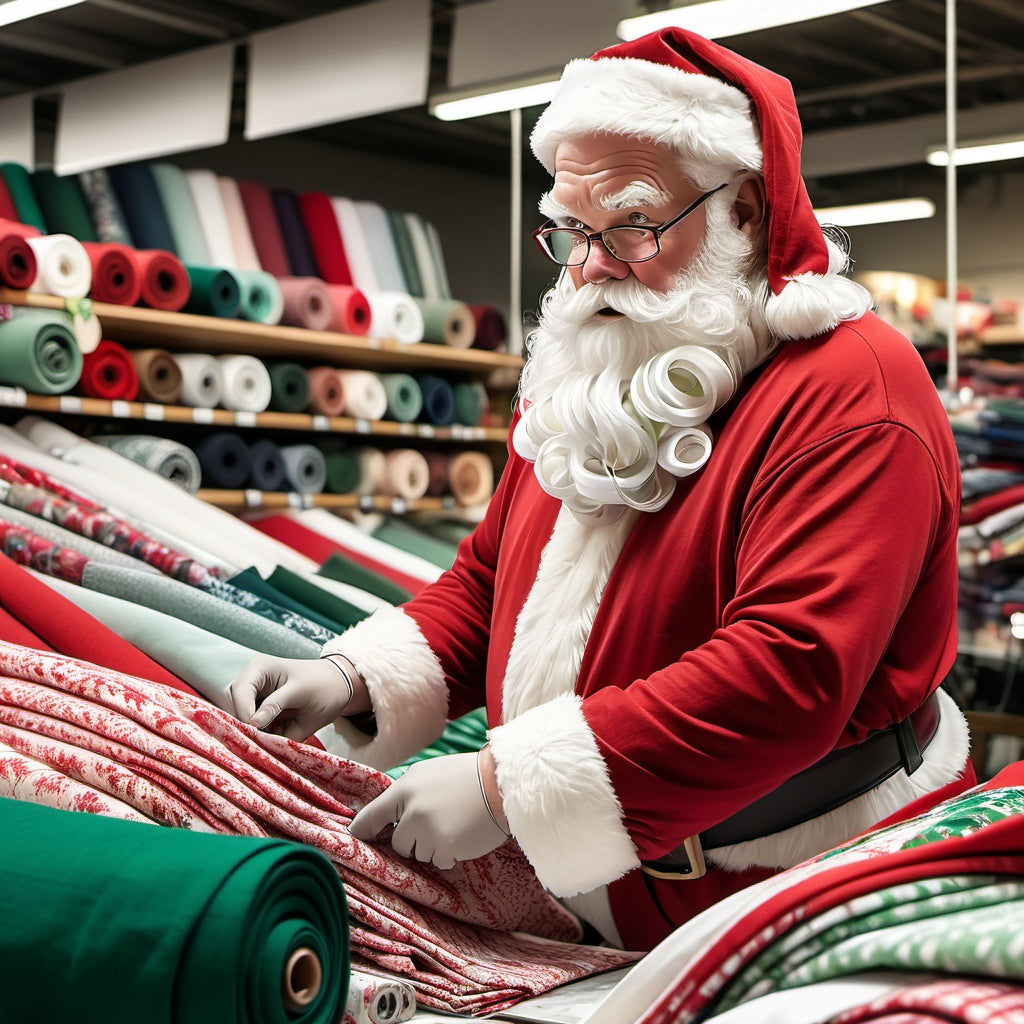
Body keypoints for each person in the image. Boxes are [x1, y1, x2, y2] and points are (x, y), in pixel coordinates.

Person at [229, 26, 974, 952]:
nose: (589, 268)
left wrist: (508, 788)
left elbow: (791, 667)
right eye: (572, 232)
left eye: (631, 226)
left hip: (805, 887)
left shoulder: (854, 385)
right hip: (607, 886)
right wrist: (348, 676)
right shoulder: (585, 369)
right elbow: (491, 582)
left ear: (745, 211)